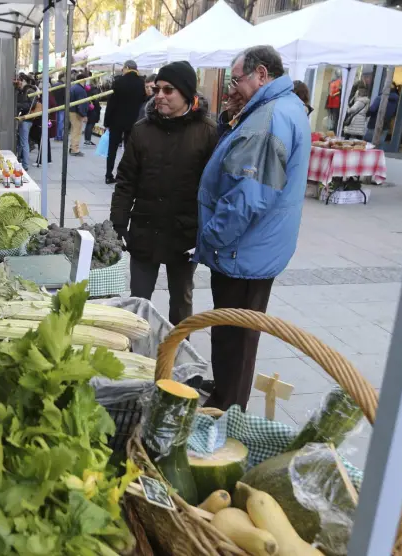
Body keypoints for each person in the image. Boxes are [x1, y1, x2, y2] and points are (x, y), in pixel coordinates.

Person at [196, 45, 311, 411]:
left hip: (242, 251)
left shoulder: (270, 118)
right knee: (237, 337)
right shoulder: (281, 108)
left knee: (234, 337)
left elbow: (248, 197)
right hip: (255, 249)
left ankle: (226, 410)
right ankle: (228, 397)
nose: (233, 88)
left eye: (237, 79)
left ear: (262, 75)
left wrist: (212, 236)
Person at [110, 61, 218, 326]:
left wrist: (206, 231)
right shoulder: (141, 130)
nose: (159, 95)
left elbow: (214, 188)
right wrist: (118, 222)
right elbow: (125, 181)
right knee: (139, 299)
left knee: (181, 299)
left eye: (168, 90)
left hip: (185, 234)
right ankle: (136, 351)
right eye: (157, 89)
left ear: (187, 94)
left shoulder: (207, 132)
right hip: (145, 229)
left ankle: (178, 351)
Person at [104, 60, 146, 184]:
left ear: (126, 68)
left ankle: (108, 174)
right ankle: (125, 175)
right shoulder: (141, 83)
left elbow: (111, 103)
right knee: (129, 150)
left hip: (116, 121)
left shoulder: (118, 82)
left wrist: (107, 121)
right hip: (133, 121)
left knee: (112, 149)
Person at [14, 73, 36, 170]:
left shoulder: (29, 90)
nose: (18, 83)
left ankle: (25, 165)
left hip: (26, 119)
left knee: (24, 142)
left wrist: (18, 105)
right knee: (22, 141)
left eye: (19, 81)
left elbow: (31, 105)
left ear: (23, 80)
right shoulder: (23, 90)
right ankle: (22, 161)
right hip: (24, 118)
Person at [68, 75, 88, 156]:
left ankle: (72, 147)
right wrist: (84, 115)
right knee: (77, 131)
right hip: (76, 113)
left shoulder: (74, 87)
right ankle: (75, 149)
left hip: (72, 111)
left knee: (74, 131)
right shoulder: (80, 90)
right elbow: (81, 104)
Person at [83, 75, 101, 146]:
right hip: (94, 108)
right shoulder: (95, 89)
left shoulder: (87, 88)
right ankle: (88, 140)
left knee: (88, 124)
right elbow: (96, 100)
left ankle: (87, 139)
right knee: (91, 124)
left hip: (88, 108)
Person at [52, 72, 66, 141]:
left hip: (54, 105)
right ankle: (59, 136)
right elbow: (65, 96)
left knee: (56, 121)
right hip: (61, 105)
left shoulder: (54, 85)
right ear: (62, 77)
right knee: (60, 122)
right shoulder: (63, 86)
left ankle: (55, 135)